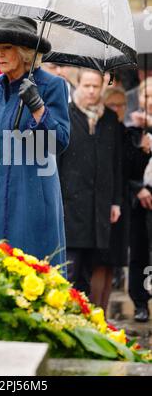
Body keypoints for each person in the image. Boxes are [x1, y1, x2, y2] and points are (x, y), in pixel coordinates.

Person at [0, 14, 70, 264]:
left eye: (6, 48)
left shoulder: (52, 85)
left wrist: (37, 107)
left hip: (30, 193)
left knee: (29, 272)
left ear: (25, 52)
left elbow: (59, 142)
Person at [58, 69, 122, 297]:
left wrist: (116, 202)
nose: (92, 91)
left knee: (88, 271)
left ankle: (83, 321)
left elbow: (116, 164)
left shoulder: (110, 119)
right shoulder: (65, 114)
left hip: (99, 207)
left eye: (96, 86)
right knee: (69, 269)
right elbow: (56, 162)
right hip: (70, 204)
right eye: (87, 86)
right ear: (78, 85)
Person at [87, 87, 129, 312]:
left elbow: (123, 166)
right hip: (100, 204)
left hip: (117, 202)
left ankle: (102, 312)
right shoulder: (102, 123)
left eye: (120, 105)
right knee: (98, 261)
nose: (117, 109)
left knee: (110, 262)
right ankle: (96, 313)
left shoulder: (123, 129)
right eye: (112, 104)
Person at [127, 78, 152, 322]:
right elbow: (125, 168)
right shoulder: (134, 130)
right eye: (147, 97)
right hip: (140, 199)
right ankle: (140, 301)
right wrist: (138, 188)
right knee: (139, 252)